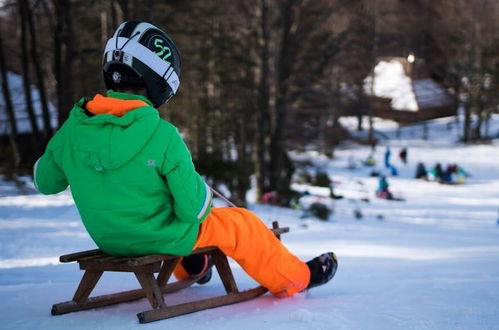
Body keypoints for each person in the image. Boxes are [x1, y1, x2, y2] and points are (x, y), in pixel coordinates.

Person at [33, 21, 337, 298]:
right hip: (158, 236)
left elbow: (45, 182)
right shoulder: (163, 135)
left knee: (166, 212)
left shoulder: (72, 131)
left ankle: (192, 265)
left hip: (110, 239)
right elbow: (193, 211)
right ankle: (296, 278)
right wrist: (200, 190)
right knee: (240, 223)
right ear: (159, 82)